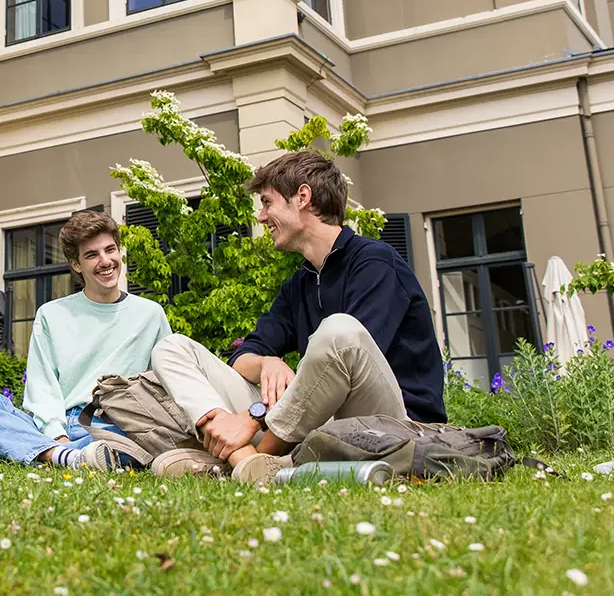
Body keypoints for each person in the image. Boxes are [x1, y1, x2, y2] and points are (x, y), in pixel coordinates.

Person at [149, 151, 447, 485]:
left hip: (394, 426)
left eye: (267, 203)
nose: (261, 216)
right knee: (171, 348)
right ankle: (244, 458)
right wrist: (267, 362)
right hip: (316, 424)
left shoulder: (375, 263)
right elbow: (242, 359)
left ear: (302, 197)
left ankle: (258, 460)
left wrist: (253, 418)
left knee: (339, 331)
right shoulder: (299, 284)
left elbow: (350, 354)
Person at [0, 210, 172, 470]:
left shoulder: (150, 314)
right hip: (62, 424)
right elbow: (42, 385)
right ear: (76, 265)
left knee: (144, 440)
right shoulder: (51, 314)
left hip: (118, 423)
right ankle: (65, 454)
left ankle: (17, 449)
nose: (105, 261)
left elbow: (166, 382)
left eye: (110, 250)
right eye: (92, 255)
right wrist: (57, 434)